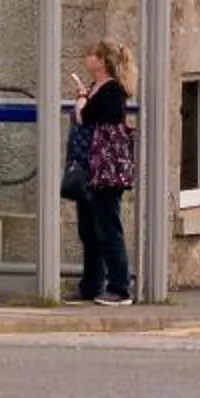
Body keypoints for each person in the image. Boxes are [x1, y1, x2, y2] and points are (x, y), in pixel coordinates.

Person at [70, 39, 135, 305]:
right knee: (89, 228)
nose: (87, 58)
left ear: (102, 61)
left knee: (108, 226)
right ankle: (91, 284)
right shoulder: (97, 87)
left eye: (92, 54)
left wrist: (83, 101)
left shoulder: (112, 91)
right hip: (90, 165)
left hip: (106, 168)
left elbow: (88, 117)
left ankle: (120, 287)